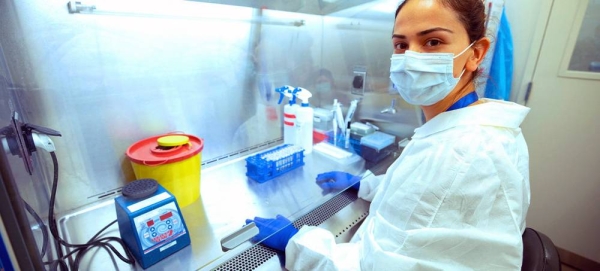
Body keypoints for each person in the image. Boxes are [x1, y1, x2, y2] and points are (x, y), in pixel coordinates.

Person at [246, 0, 531, 269]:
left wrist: (297, 243)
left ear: (476, 53)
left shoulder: (470, 154)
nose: (411, 58)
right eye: (401, 44)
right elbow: (425, 199)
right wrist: (367, 186)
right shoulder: (459, 129)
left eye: (433, 42)